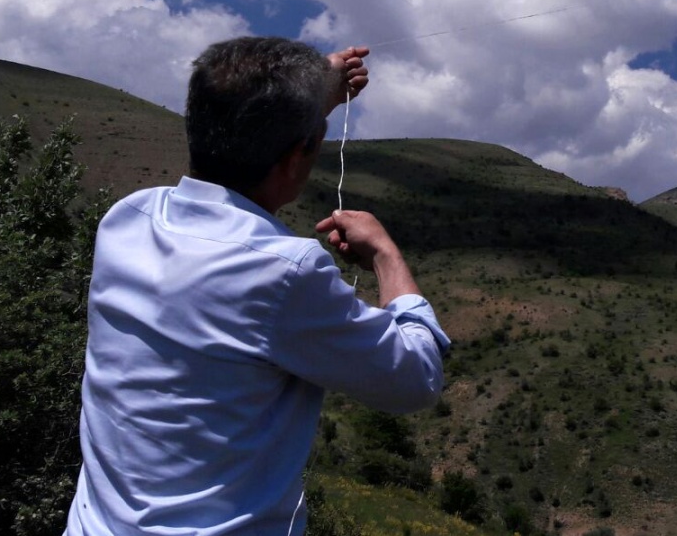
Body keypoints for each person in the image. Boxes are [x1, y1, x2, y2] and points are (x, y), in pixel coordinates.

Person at [63, 37, 449, 536]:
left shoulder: (127, 219)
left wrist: (312, 92)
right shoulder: (285, 270)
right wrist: (384, 256)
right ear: (297, 156)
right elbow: (415, 378)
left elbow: (231, 105)